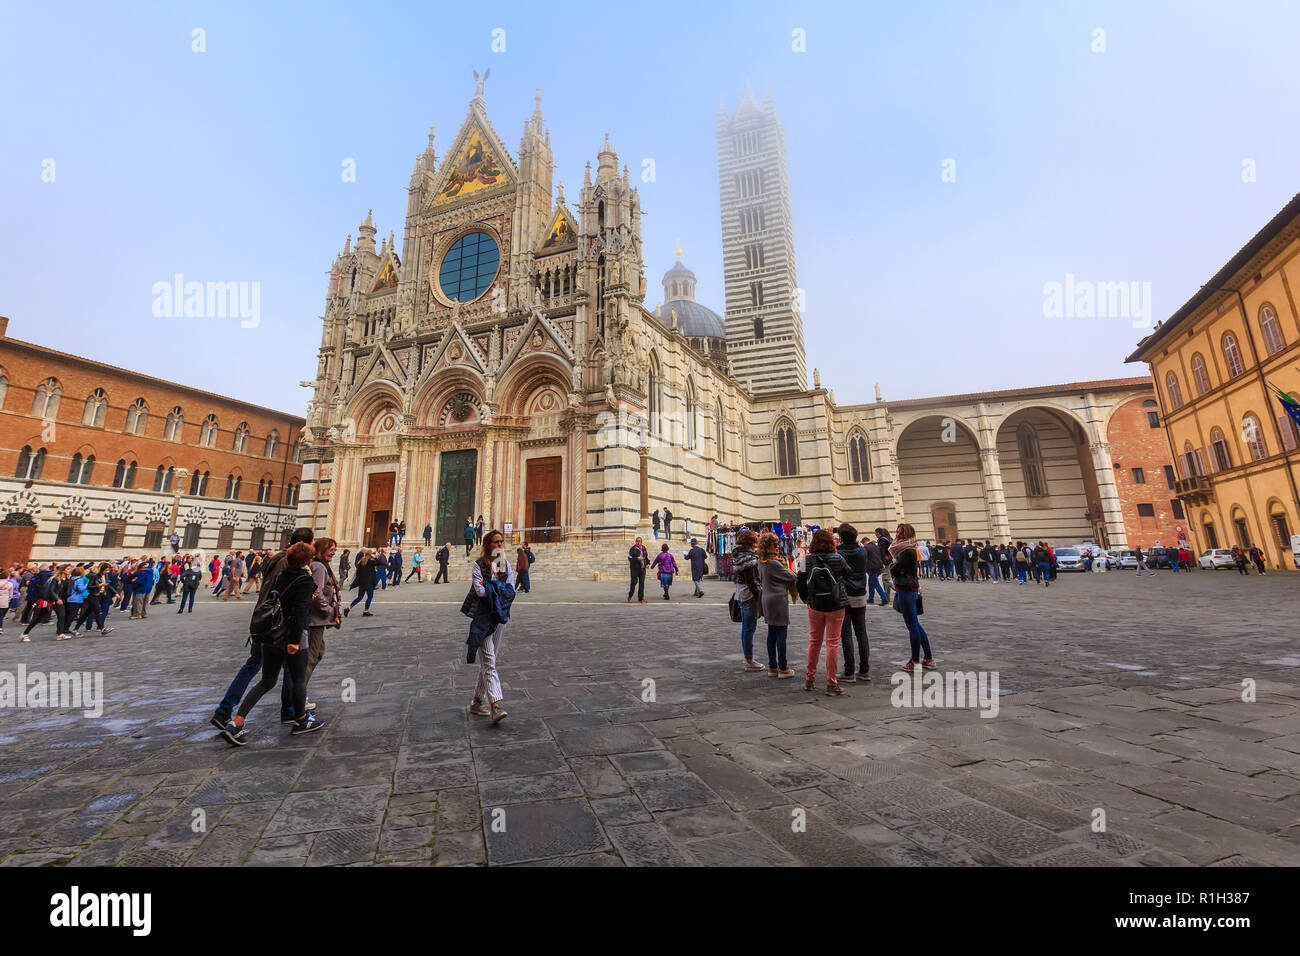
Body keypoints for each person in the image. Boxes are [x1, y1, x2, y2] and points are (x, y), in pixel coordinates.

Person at [208, 528, 315, 731]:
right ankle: (229, 712)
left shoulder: (277, 559)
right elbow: (290, 601)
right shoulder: (289, 563)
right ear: (305, 545)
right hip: (275, 626)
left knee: (262, 669)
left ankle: (288, 711)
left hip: (264, 619)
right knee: (275, 671)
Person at [465, 529, 513, 724]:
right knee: (489, 661)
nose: (500, 545)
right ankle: (495, 706)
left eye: (501, 542)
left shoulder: (506, 565)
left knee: (489, 661)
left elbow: (510, 591)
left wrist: (493, 587)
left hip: (499, 617)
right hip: (483, 618)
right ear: (487, 545)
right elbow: (480, 591)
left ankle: (477, 701)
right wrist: (496, 588)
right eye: (496, 542)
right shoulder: (478, 566)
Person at [796, 528, 850, 696]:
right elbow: (849, 574)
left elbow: (800, 581)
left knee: (814, 641)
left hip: (815, 605)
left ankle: (809, 680)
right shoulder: (837, 558)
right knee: (832, 643)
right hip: (836, 604)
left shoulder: (807, 559)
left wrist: (806, 599)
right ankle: (831, 683)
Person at [890, 523, 936, 673]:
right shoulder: (906, 550)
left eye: (900, 533)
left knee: (912, 626)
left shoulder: (908, 551)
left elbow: (895, 570)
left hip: (907, 589)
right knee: (915, 624)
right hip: (907, 589)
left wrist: (894, 567)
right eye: (897, 532)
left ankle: (915, 661)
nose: (897, 535)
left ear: (907, 534)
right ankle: (928, 658)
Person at [306, 538, 343, 699]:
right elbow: (316, 592)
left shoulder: (321, 566)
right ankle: (296, 700)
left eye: (335, 549)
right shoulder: (319, 567)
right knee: (312, 656)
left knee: (318, 652)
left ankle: (296, 696)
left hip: (316, 619)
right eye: (331, 549)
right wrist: (328, 609)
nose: (334, 552)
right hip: (314, 619)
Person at [757, 532, 797, 678]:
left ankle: (772, 666)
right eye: (775, 545)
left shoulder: (761, 561)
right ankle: (783, 668)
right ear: (768, 546)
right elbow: (791, 576)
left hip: (767, 599)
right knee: (781, 634)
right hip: (778, 600)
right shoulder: (774, 563)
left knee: (772, 633)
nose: (777, 548)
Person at [836, 523, 870, 683]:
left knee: (846, 634)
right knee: (861, 633)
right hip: (860, 594)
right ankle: (864, 670)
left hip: (845, 595)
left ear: (841, 538)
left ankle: (849, 671)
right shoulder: (862, 551)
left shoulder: (839, 553)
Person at [732, 529, 765, 672]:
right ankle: (749, 660)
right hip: (749, 595)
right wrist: (759, 596)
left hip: (740, 593)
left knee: (746, 627)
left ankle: (748, 657)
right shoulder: (750, 559)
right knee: (749, 628)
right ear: (751, 542)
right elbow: (752, 581)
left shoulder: (738, 555)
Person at [348, 549, 377, 616]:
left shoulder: (361, 562)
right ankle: (366, 611)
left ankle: (349, 608)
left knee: (359, 597)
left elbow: (358, 573)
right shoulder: (370, 562)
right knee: (370, 597)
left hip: (361, 583)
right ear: (370, 555)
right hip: (369, 583)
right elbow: (378, 563)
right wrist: (375, 557)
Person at [627, 536, 649, 603]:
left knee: (642, 583)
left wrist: (648, 563)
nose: (638, 542)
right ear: (635, 542)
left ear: (641, 542)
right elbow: (629, 558)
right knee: (634, 582)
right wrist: (637, 558)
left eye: (639, 541)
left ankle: (640, 599)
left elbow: (646, 556)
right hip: (634, 569)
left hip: (642, 568)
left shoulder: (644, 548)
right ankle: (630, 594)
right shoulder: (633, 549)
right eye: (637, 541)